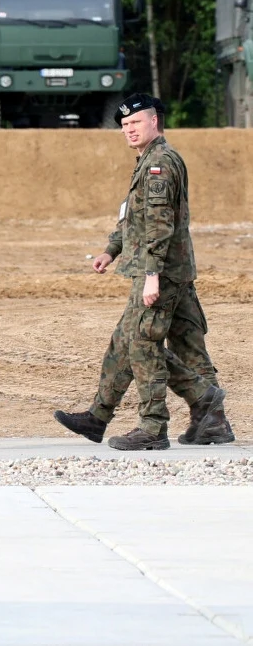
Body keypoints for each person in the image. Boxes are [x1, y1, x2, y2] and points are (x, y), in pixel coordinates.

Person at [54, 93, 233, 449]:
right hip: (171, 268)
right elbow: (133, 218)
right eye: (124, 126)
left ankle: (154, 427)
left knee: (141, 342)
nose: (129, 130)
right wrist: (111, 249)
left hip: (161, 271)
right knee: (162, 343)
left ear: (155, 121)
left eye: (136, 123)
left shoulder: (159, 164)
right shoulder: (148, 160)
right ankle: (101, 416)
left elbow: (159, 225)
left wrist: (152, 275)